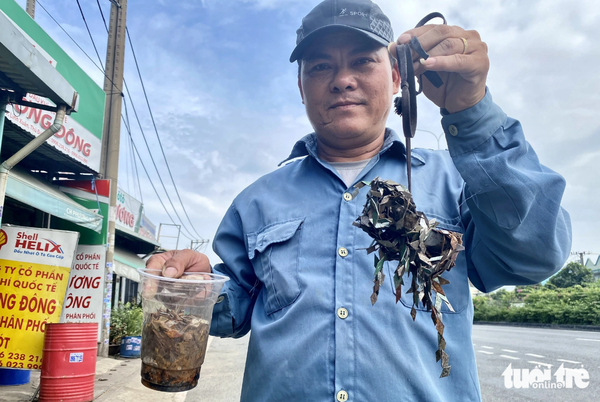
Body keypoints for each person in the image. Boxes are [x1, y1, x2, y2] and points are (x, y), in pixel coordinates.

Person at [146, 0, 572, 400]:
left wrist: (472, 114)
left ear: (396, 76)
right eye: (320, 66)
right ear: (301, 86)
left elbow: (534, 255)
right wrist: (193, 292)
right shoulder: (257, 200)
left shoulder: (459, 179)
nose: (342, 79)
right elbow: (236, 304)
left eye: (363, 61)